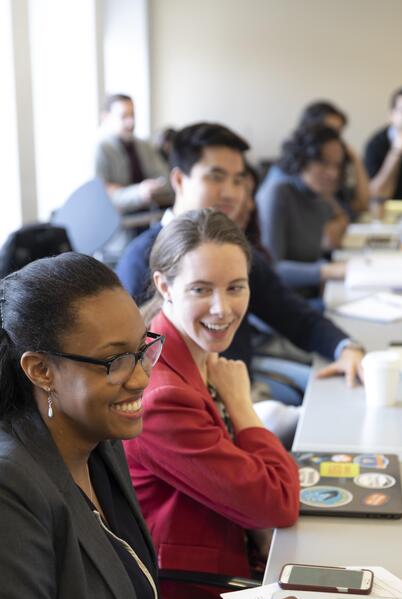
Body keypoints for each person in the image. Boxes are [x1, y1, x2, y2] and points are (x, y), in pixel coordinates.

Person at [0, 251, 333, 599]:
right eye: (115, 361)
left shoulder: (97, 439)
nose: (140, 379)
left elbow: (112, 587)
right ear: (41, 370)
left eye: (143, 350)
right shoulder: (11, 491)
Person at [125, 209, 300, 599]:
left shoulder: (185, 348)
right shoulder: (162, 394)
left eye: (236, 287)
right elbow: (276, 505)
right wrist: (243, 407)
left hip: (236, 540)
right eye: (202, 289)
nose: (222, 309)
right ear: (164, 286)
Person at [116, 122, 365, 406]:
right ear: (179, 181)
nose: (231, 193)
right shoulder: (140, 259)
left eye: (238, 180)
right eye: (216, 177)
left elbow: (295, 316)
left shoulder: (231, 249)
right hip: (193, 404)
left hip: (241, 385)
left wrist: (346, 348)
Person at [256, 125, 349, 287]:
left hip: (310, 294)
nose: (333, 173)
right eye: (323, 163)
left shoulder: (317, 191)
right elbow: (271, 268)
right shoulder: (277, 192)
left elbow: (334, 235)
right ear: (302, 159)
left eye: (337, 165)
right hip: (283, 302)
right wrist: (328, 271)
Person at [95, 93, 172, 214]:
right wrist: (139, 192)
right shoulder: (101, 149)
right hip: (121, 225)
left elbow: (164, 177)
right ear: (106, 117)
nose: (131, 122)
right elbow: (101, 195)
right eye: (124, 116)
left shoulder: (143, 145)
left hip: (149, 216)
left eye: (132, 115)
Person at [298, 100, 369, 215]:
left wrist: (355, 159)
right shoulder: (301, 175)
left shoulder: (335, 166)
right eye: (329, 132)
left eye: (338, 134)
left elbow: (362, 205)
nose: (336, 140)